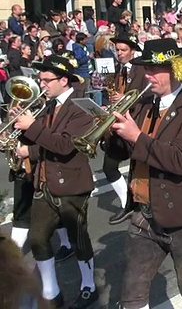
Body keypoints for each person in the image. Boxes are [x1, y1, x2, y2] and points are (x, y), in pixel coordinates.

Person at [104, 39, 182, 309]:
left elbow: (179, 160)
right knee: (132, 294)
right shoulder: (143, 104)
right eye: (146, 69)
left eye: (155, 69)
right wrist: (111, 132)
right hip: (143, 214)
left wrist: (136, 136)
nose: (148, 75)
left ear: (176, 70)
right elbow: (122, 152)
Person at [13, 55, 97, 308]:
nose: (42, 85)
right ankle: (51, 291)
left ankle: (89, 286)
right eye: (40, 79)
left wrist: (33, 128)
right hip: (44, 182)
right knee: (38, 239)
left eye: (47, 80)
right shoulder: (48, 105)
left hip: (72, 183)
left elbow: (64, 145)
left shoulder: (82, 106)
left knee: (78, 238)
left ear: (63, 80)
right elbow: (43, 141)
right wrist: (22, 126)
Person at [103, 32, 146, 225]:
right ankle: (126, 204)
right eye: (117, 50)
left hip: (136, 124)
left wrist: (125, 99)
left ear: (132, 50)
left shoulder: (142, 69)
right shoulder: (119, 71)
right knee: (108, 167)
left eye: (123, 50)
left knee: (139, 170)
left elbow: (148, 96)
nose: (119, 53)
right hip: (118, 124)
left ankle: (141, 205)